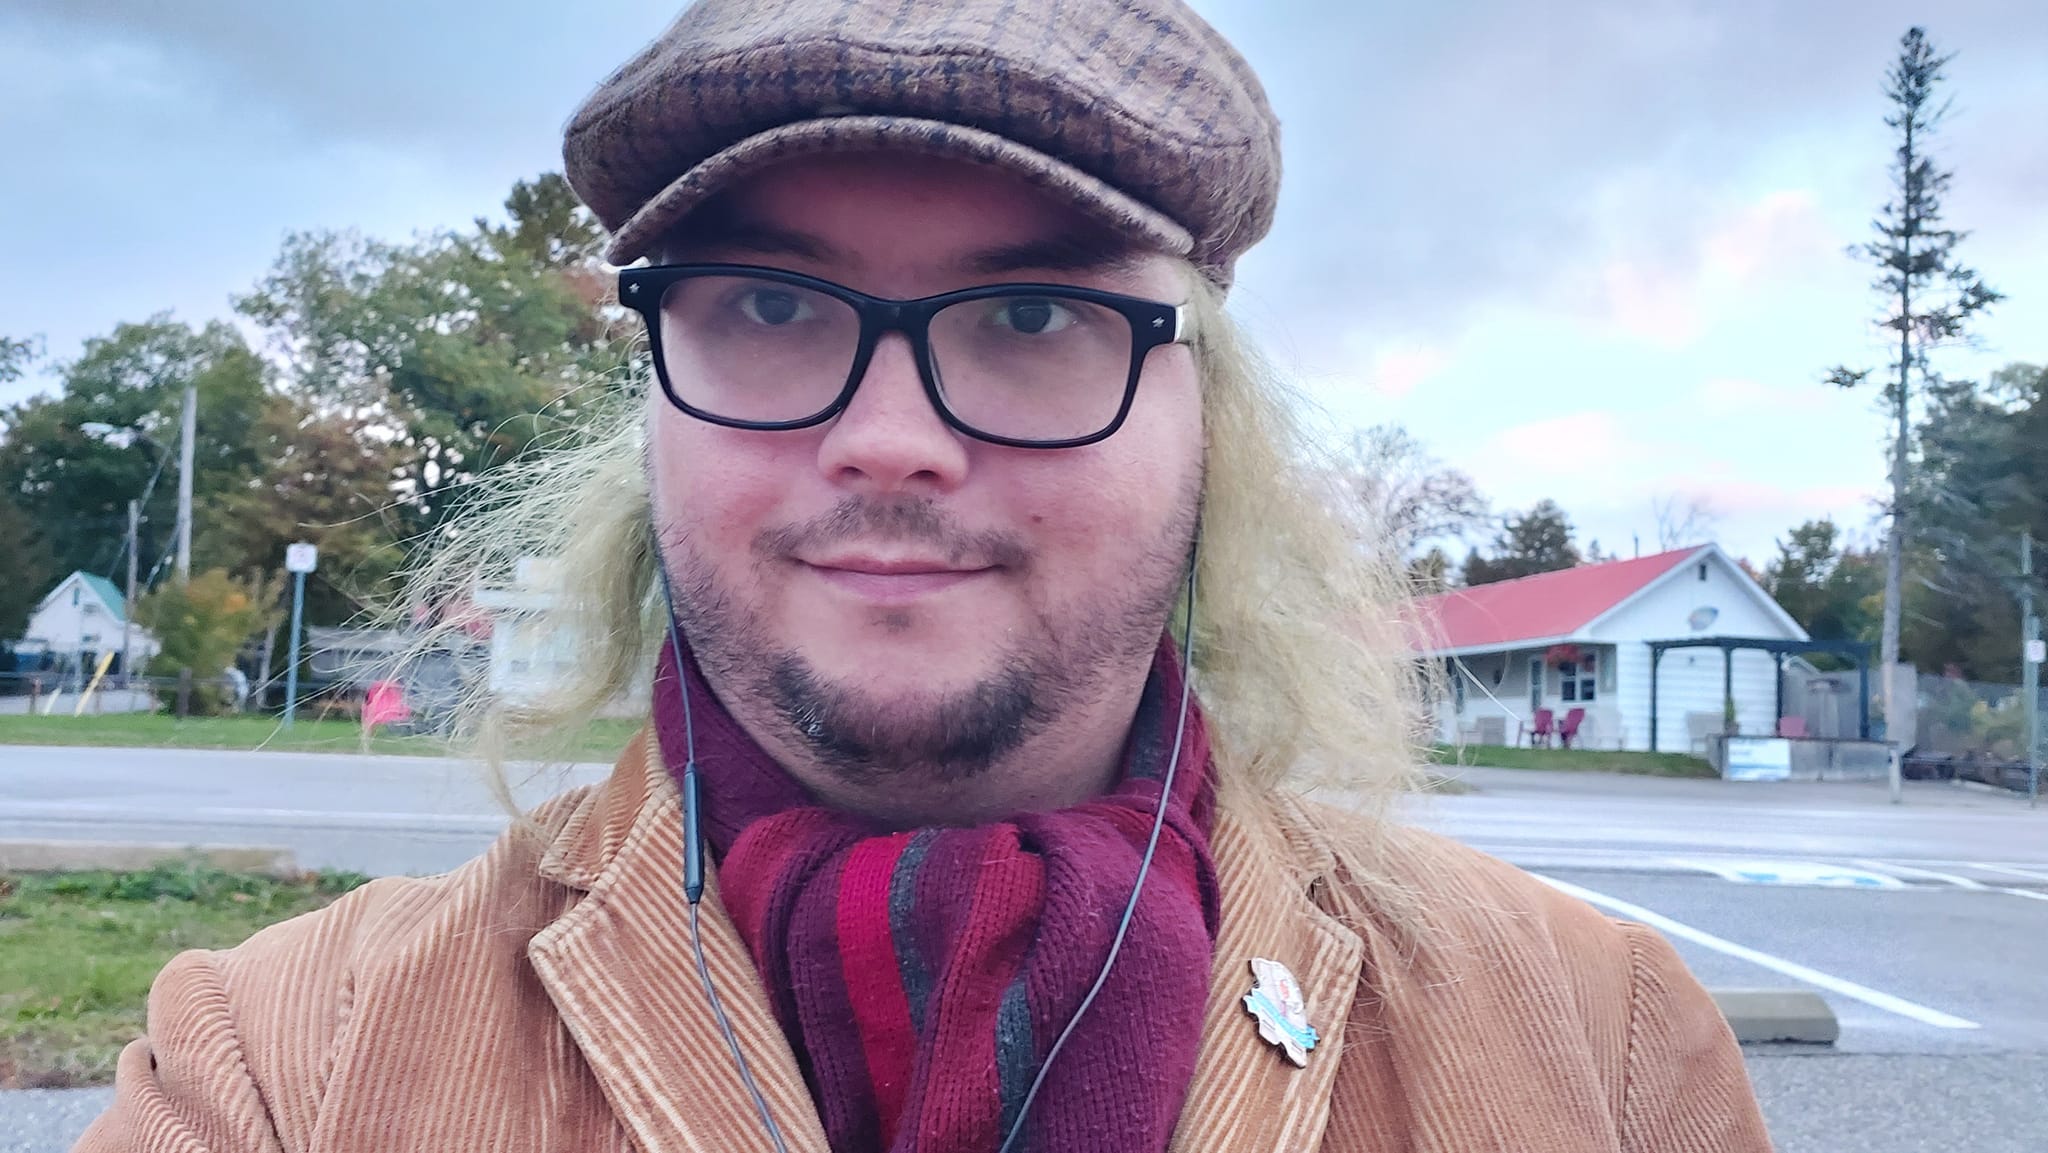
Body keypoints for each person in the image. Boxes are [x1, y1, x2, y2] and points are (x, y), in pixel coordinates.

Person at [75, 1, 1772, 1150]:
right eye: (769, 305)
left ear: (1210, 422)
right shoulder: (276, 1067)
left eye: (1035, 314)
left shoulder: (1602, 1049)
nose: (891, 440)